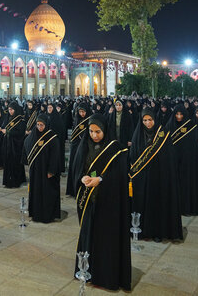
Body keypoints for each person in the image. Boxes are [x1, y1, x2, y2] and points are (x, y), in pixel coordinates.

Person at [73, 113, 131, 291]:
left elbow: (120, 175)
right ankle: (89, 272)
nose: (94, 135)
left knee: (107, 240)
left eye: (98, 131)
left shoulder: (116, 149)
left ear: (105, 130)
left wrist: (101, 179)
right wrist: (83, 178)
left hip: (109, 202)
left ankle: (107, 276)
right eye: (91, 131)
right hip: (91, 201)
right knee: (90, 236)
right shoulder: (85, 145)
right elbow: (79, 168)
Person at [129, 108, 182, 241]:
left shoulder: (163, 134)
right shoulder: (138, 133)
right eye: (145, 120)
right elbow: (133, 155)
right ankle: (142, 231)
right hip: (142, 178)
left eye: (150, 120)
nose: (147, 123)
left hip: (159, 176)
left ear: (155, 119)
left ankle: (157, 232)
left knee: (157, 204)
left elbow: (169, 157)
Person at [22, 114, 61, 223]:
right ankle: (36, 213)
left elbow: (55, 155)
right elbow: (26, 143)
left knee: (47, 192)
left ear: (46, 124)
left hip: (47, 171)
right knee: (36, 192)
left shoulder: (52, 137)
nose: (40, 127)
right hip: (35, 170)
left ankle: (48, 215)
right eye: (38, 125)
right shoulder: (33, 135)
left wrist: (51, 170)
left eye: (42, 125)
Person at [167, 104, 198, 216]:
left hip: (187, 162)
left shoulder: (190, 125)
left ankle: (186, 207)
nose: (179, 116)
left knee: (186, 185)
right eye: (177, 114)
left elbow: (193, 145)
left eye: (181, 114)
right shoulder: (169, 125)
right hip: (173, 161)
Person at [66, 103, 91, 196]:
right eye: (80, 112)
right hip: (76, 147)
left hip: (86, 147)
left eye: (83, 111)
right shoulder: (77, 120)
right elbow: (75, 135)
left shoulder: (89, 120)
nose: (82, 114)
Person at [2, 101, 27, 188]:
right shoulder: (8, 117)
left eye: (12, 109)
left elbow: (20, 132)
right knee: (8, 162)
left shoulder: (20, 120)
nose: (10, 111)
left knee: (16, 163)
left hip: (16, 145)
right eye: (9, 109)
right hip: (8, 144)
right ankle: (8, 181)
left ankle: (16, 181)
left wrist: (8, 132)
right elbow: (5, 126)